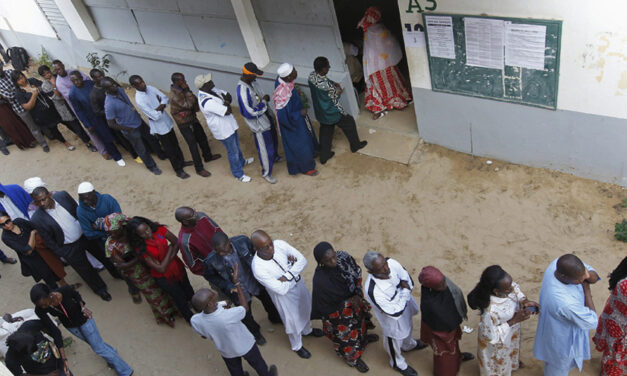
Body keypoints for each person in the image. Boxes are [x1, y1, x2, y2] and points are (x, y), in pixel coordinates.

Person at [31, 283, 133, 376]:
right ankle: (112, 353)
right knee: (96, 344)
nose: (44, 307)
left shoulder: (64, 290)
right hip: (72, 328)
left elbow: (77, 295)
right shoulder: (39, 310)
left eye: (45, 303)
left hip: (85, 321)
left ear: (50, 295)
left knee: (99, 348)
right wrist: (63, 358)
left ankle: (126, 371)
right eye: (41, 306)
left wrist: (83, 307)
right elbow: (54, 331)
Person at [29, 186, 112, 301]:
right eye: (38, 202)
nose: (42, 203)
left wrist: (89, 228)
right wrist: (62, 252)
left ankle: (117, 273)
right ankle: (100, 289)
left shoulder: (62, 196)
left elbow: (78, 210)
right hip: (69, 248)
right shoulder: (36, 219)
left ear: (49, 195)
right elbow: (48, 240)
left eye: (44, 199)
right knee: (86, 270)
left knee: (103, 255)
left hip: (85, 236)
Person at [250, 230, 323, 358]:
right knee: (292, 323)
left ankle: (307, 330)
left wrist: (287, 276)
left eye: (270, 243)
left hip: (299, 285)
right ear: (256, 249)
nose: (271, 248)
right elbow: (281, 289)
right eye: (265, 247)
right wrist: (294, 271)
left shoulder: (279, 244)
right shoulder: (258, 268)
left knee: (306, 309)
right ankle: (297, 346)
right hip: (284, 298)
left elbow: (302, 260)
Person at [190, 275, 279, 376]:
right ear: (210, 304)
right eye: (212, 294)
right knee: (258, 364)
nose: (214, 292)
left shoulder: (195, 320)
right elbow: (245, 308)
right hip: (246, 345)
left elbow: (203, 335)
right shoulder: (228, 315)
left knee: (235, 370)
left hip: (226, 351)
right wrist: (237, 284)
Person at [100, 213, 178, 326]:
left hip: (153, 265)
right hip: (138, 274)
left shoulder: (133, 232)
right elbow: (122, 266)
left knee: (166, 288)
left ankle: (175, 308)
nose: (111, 234)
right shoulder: (111, 244)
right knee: (154, 295)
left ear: (122, 226)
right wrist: (140, 257)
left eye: (114, 230)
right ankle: (165, 316)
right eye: (108, 231)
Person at [205, 231, 283, 345]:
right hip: (238, 291)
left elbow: (257, 254)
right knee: (246, 314)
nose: (221, 253)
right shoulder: (211, 261)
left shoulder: (242, 242)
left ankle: (274, 317)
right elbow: (210, 276)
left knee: (269, 301)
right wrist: (227, 286)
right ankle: (256, 333)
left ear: (229, 243)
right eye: (218, 251)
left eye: (223, 250)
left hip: (254, 282)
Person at [311, 242, 377, 373]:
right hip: (337, 311)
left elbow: (356, 271)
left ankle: (363, 341)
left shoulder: (343, 257)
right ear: (321, 262)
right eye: (328, 260)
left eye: (333, 256)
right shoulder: (321, 280)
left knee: (359, 322)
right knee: (347, 335)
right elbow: (332, 299)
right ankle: (353, 358)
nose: (334, 261)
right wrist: (351, 299)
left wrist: (357, 293)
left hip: (354, 301)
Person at [533, 254, 599, 375]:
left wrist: (588, 275)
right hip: (562, 342)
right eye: (578, 280)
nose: (582, 280)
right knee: (558, 368)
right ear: (563, 276)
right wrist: (587, 291)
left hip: (555, 328)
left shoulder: (557, 264)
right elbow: (592, 321)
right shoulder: (564, 302)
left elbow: (590, 274)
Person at [363, 251, 427, 376]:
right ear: (371, 271)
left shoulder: (392, 263)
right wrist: (404, 291)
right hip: (392, 320)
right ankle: (398, 363)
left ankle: (409, 345)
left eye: (385, 264)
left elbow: (408, 279)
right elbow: (395, 312)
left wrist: (403, 292)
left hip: (405, 307)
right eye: (380, 268)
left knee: (408, 326)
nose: (386, 269)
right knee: (394, 340)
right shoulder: (372, 290)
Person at [467, 265, 539, 376]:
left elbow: (516, 290)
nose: (512, 288)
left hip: (510, 334)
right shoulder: (490, 311)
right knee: (499, 363)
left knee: (510, 352)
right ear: (496, 291)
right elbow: (490, 336)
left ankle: (511, 364)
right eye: (508, 288)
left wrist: (525, 301)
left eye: (511, 284)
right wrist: (514, 320)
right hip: (498, 344)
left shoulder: (507, 287)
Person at [76, 182, 139, 301]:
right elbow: (89, 234)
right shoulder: (81, 211)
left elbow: (120, 219)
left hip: (124, 238)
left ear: (93, 193)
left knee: (135, 255)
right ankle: (133, 288)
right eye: (82, 198)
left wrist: (99, 227)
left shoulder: (107, 199)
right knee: (121, 267)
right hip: (105, 243)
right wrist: (110, 230)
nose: (85, 201)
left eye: (87, 197)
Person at [126, 216, 195, 322]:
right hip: (164, 278)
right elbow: (161, 269)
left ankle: (198, 307)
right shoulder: (140, 248)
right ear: (137, 235)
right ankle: (190, 318)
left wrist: (165, 261)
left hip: (177, 268)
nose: (148, 233)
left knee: (188, 288)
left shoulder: (158, 229)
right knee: (179, 297)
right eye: (143, 233)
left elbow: (176, 242)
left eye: (147, 229)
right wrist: (169, 250)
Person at [196, 73, 254, 182]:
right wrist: (226, 102)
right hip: (223, 130)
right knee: (233, 152)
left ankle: (241, 162)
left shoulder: (212, 90)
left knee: (236, 146)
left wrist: (226, 102)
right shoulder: (206, 101)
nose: (212, 82)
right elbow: (227, 111)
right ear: (204, 86)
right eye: (209, 82)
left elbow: (228, 96)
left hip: (229, 124)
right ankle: (238, 174)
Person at [131, 74, 191, 179]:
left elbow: (165, 99)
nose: (143, 84)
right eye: (139, 83)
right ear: (133, 86)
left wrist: (159, 106)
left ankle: (182, 162)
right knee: (169, 149)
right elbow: (155, 116)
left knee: (175, 144)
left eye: (142, 81)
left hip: (166, 121)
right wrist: (161, 106)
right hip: (159, 127)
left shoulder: (150, 88)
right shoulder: (139, 100)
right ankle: (178, 170)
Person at [308, 56, 367, 164]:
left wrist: (332, 82)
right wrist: (339, 90)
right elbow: (334, 97)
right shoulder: (327, 87)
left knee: (325, 131)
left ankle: (324, 156)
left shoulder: (312, 76)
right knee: (349, 122)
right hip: (331, 111)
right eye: (327, 66)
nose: (329, 67)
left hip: (320, 112)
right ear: (323, 69)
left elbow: (324, 80)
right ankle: (355, 145)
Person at [418, 266, 475, 376]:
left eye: (444, 280)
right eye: (440, 285)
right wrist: (451, 327)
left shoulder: (437, 285)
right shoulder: (431, 304)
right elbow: (440, 320)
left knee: (454, 348)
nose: (445, 285)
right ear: (432, 286)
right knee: (444, 356)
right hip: (442, 334)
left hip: (450, 328)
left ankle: (458, 358)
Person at [357, 7, 412, 120]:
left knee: (375, 85)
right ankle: (397, 101)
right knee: (391, 83)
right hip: (384, 63)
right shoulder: (380, 30)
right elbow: (390, 43)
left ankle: (378, 107)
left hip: (371, 64)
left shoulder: (367, 29)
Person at [103, 77, 162, 175]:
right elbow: (111, 123)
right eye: (111, 86)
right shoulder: (109, 104)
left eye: (114, 83)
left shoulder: (120, 90)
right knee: (141, 149)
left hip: (139, 121)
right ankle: (152, 166)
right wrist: (127, 128)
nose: (115, 86)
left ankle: (161, 154)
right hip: (130, 129)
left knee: (152, 138)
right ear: (106, 89)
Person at [51, 60, 108, 157]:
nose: (58, 71)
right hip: (80, 107)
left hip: (91, 100)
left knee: (103, 119)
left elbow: (87, 80)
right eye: (56, 70)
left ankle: (112, 140)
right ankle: (103, 151)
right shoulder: (59, 83)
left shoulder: (74, 71)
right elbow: (72, 95)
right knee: (90, 128)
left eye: (59, 68)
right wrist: (83, 89)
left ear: (63, 65)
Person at [68, 71, 126, 166]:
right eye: (74, 81)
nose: (77, 82)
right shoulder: (73, 94)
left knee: (116, 131)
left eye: (78, 79)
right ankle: (117, 156)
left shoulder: (90, 83)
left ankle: (126, 147)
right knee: (106, 137)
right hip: (94, 118)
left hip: (105, 112)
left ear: (82, 78)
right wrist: (87, 124)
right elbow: (79, 111)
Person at [169, 72, 221, 177]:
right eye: (183, 80)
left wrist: (188, 94)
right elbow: (188, 104)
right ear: (177, 81)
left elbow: (194, 102)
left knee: (202, 138)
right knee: (193, 145)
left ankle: (207, 156)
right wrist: (188, 91)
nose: (185, 82)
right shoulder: (174, 94)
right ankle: (199, 168)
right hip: (184, 123)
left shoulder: (181, 89)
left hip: (192, 118)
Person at [237, 62, 280, 184]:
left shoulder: (253, 82)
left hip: (266, 117)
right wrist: (264, 102)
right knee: (265, 149)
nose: (256, 77)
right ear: (248, 75)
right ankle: (267, 173)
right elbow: (248, 112)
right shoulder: (242, 91)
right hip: (259, 125)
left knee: (274, 140)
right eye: (254, 75)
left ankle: (275, 157)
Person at [1, 211, 70, 288]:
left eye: (7, 221)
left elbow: (36, 227)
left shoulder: (19, 221)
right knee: (49, 279)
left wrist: (33, 240)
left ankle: (66, 288)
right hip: (34, 260)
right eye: (2, 225)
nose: (7, 225)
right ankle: (58, 295)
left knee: (57, 271)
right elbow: (28, 250)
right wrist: (32, 234)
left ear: (10, 217)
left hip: (43, 251)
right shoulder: (6, 237)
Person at [38, 65, 98, 153]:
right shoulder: (45, 86)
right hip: (65, 110)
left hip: (75, 104)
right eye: (45, 74)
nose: (48, 75)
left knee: (87, 121)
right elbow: (58, 97)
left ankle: (97, 138)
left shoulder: (58, 77)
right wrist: (55, 85)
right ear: (43, 76)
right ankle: (87, 143)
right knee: (77, 128)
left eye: (48, 72)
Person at [11, 71, 76, 151]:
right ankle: (65, 143)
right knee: (54, 129)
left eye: (22, 77)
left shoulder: (32, 81)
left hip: (52, 108)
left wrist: (38, 89)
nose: (22, 80)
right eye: (18, 80)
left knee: (68, 122)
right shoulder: (19, 93)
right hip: (41, 115)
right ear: (15, 82)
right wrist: (34, 96)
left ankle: (80, 135)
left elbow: (45, 87)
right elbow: (27, 107)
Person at [273, 63, 319, 176]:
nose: (296, 72)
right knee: (300, 145)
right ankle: (306, 168)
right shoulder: (282, 96)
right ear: (288, 77)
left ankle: (312, 153)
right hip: (293, 125)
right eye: (294, 71)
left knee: (308, 137)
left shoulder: (284, 82)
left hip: (299, 118)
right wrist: (299, 113)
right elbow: (283, 116)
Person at [88, 69, 138, 161]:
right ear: (93, 79)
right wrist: (112, 112)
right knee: (124, 138)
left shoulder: (109, 81)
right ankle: (135, 155)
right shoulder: (94, 95)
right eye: (98, 77)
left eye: (102, 75)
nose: (101, 78)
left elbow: (119, 89)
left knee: (136, 131)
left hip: (126, 113)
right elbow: (97, 111)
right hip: (114, 120)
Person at [0, 61, 48, 151]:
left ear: (1, 65)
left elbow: (24, 81)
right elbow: (9, 96)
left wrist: (14, 90)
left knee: (40, 119)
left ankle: (49, 135)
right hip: (20, 108)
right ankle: (43, 143)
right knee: (32, 127)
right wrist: (20, 91)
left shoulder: (10, 72)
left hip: (32, 101)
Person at [593, 256, 627, 376]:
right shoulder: (625, 285)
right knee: (614, 356)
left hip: (615, 317)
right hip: (619, 326)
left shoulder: (624, 272)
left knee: (613, 351)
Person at [5, 319, 69, 376]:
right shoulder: (10, 360)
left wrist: (63, 358)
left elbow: (53, 330)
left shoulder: (30, 326)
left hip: (60, 364)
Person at [174, 206, 222, 277]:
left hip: (227, 256)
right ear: (185, 222)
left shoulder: (202, 216)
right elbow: (194, 266)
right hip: (216, 271)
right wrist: (212, 270)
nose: (196, 214)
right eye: (193, 216)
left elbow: (218, 230)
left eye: (194, 211)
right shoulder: (184, 241)